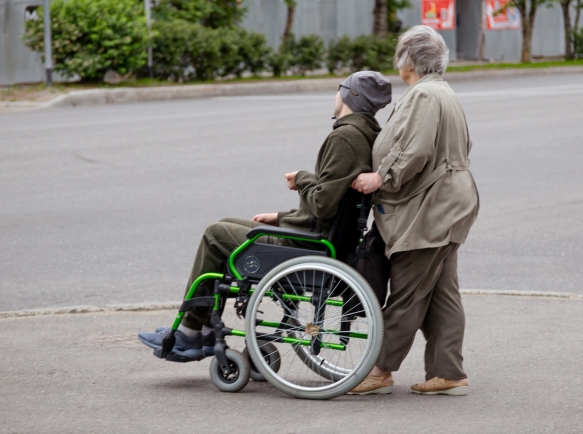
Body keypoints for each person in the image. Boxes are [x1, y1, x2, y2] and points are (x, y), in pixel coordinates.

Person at [138, 71, 393, 360]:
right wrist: (282, 216)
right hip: (320, 237)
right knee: (226, 224)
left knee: (215, 235)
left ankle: (191, 331)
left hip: (309, 245)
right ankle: (205, 328)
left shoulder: (346, 138)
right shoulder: (366, 133)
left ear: (348, 96)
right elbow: (329, 204)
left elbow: (323, 204)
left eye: (339, 89)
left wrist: (302, 178)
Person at [349, 26, 480, 395]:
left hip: (431, 212)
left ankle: (379, 369)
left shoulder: (423, 95)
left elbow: (417, 151)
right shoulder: (442, 91)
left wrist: (381, 177)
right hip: (451, 206)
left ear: (409, 61)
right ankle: (448, 371)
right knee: (441, 292)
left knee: (407, 293)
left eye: (399, 55)